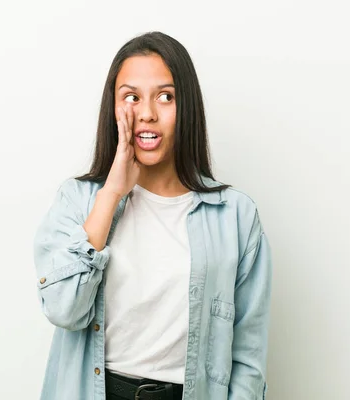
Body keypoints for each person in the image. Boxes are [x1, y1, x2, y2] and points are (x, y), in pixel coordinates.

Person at [33, 31, 273, 400]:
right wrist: (112, 191)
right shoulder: (79, 201)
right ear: (113, 108)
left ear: (187, 106)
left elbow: (248, 358)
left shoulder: (235, 217)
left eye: (165, 97)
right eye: (131, 97)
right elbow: (63, 309)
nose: (146, 113)